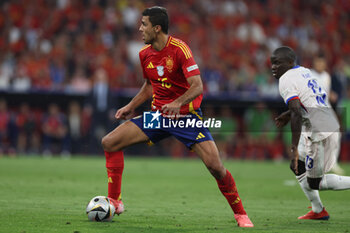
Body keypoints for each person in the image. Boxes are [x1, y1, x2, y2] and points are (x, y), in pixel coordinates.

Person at [101, 6, 253, 227]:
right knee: (110, 142)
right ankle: (115, 202)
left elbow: (198, 86)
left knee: (215, 166)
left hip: (186, 118)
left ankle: (240, 213)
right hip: (158, 116)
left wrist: (177, 103)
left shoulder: (180, 49)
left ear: (157, 27)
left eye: (144, 24)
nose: (140, 28)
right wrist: (130, 106)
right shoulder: (144, 54)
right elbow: (148, 86)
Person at [271, 46, 350, 220]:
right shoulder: (304, 71)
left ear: (290, 62)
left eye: (277, 63)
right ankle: (318, 210)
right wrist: (288, 113)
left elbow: (298, 112)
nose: (273, 67)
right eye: (272, 63)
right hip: (325, 121)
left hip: (318, 131)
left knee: (316, 182)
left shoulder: (285, 80)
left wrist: (294, 146)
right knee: (297, 166)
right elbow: (306, 100)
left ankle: (319, 209)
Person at [311, 55, 345, 175]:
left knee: (336, 133)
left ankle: (332, 163)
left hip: (326, 108)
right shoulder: (309, 75)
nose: (320, 65)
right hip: (314, 109)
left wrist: (330, 94)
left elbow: (324, 90)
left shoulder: (326, 76)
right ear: (314, 64)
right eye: (318, 63)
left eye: (322, 63)